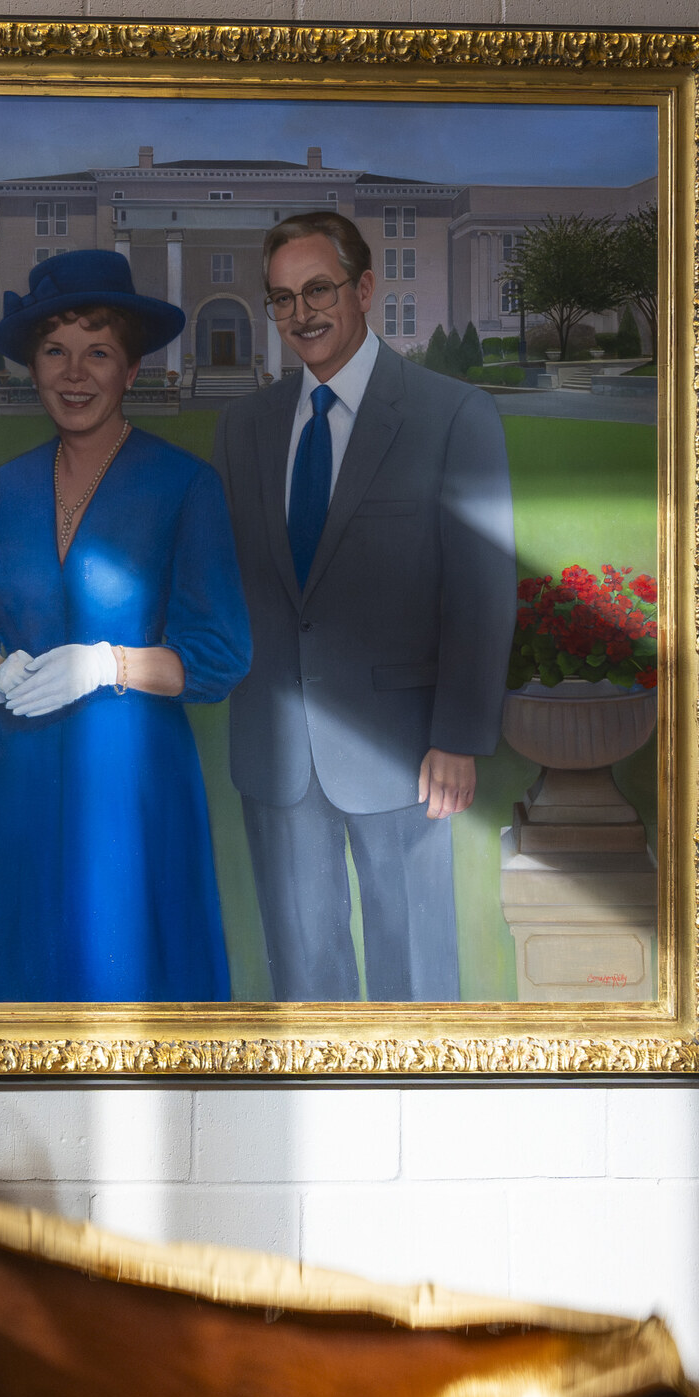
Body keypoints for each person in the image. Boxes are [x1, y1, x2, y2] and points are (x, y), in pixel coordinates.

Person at [0, 250, 252, 1000]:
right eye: (55, 352)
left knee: (131, 971)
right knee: (22, 980)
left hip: (133, 778)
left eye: (97, 352)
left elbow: (221, 652)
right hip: (22, 776)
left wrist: (108, 664)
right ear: (32, 369)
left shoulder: (185, 486)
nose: (75, 375)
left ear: (132, 370)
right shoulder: (4, 491)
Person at [208, 210, 516, 1001]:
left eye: (319, 289)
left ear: (365, 288)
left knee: (413, 973)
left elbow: (481, 588)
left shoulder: (453, 415)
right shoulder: (244, 426)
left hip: (407, 751)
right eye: (281, 299)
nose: (301, 313)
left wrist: (457, 735)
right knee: (305, 980)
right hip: (276, 749)